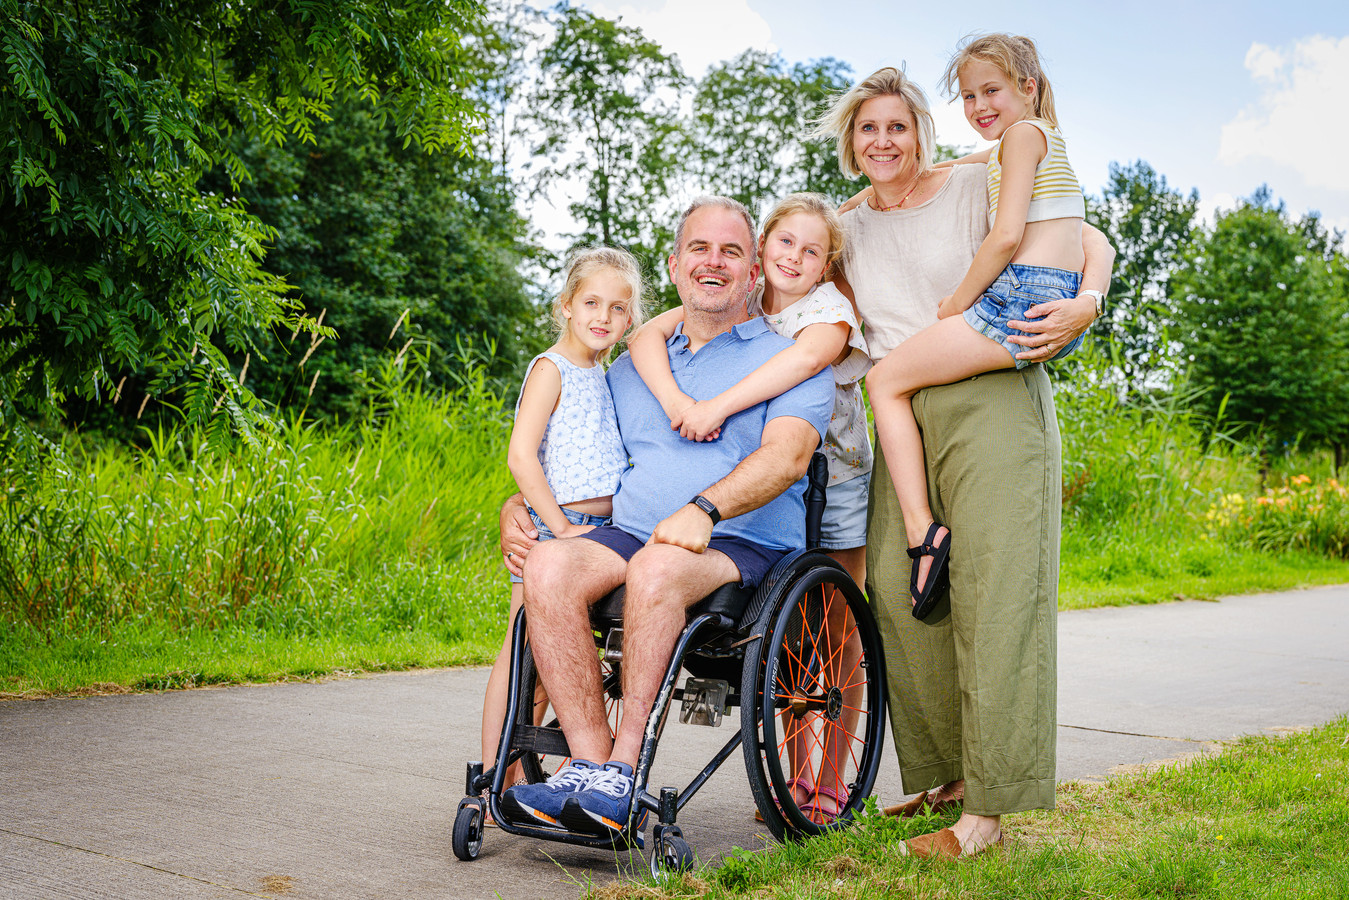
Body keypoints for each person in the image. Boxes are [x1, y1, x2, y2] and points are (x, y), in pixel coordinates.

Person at [814, 65, 1115, 858]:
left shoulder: (972, 178)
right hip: (902, 418)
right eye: (867, 129)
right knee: (905, 597)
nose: (883, 141)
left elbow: (1083, 234)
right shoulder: (844, 225)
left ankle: (987, 812)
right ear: (850, 142)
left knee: (997, 600)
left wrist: (1088, 299)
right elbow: (778, 280)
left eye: (897, 126)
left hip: (989, 399)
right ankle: (943, 781)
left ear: (920, 131)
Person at [496, 196, 834, 843]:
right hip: (627, 530)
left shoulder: (789, 359)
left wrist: (705, 508)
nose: (714, 262)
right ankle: (589, 764)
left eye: (731, 251)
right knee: (551, 565)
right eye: (699, 250)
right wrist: (517, 505)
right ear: (675, 266)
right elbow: (571, 458)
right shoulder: (627, 367)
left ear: (754, 271)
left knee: (656, 566)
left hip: (742, 541)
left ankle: (623, 772)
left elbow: (787, 457)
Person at [627, 192, 871, 822]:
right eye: (784, 242)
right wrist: (679, 402)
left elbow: (798, 366)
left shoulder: (828, 314)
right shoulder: (742, 298)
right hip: (772, 475)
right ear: (763, 253)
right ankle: (789, 777)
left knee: (831, 634)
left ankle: (825, 779)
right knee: (790, 640)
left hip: (835, 475)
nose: (796, 256)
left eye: (812, 250)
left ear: (826, 266)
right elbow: (646, 333)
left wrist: (715, 408)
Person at [844, 34, 1097, 618]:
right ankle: (921, 534)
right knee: (890, 384)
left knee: (883, 383)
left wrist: (961, 302)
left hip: (1013, 308)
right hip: (1029, 297)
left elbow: (1012, 237)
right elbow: (961, 165)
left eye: (992, 90)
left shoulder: (1018, 141)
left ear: (1027, 88)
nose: (980, 105)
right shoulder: (1018, 146)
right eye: (969, 95)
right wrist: (863, 198)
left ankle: (921, 534)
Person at [480, 247, 644, 802]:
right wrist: (557, 526)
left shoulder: (603, 373)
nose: (603, 316)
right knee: (523, 655)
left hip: (598, 528)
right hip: (562, 525)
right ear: (566, 306)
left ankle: (523, 771)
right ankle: (494, 773)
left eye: (618, 308)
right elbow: (522, 456)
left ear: (629, 320)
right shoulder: (552, 369)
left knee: (556, 665)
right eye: (591, 302)